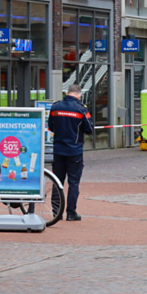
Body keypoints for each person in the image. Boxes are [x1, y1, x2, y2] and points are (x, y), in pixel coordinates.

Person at [48, 83, 93, 221]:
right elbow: (89, 129)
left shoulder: (55, 107)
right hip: (74, 151)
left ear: (67, 93)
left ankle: (57, 212)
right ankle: (71, 213)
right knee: (73, 183)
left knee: (57, 182)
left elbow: (51, 126)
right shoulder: (81, 109)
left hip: (59, 150)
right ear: (78, 95)